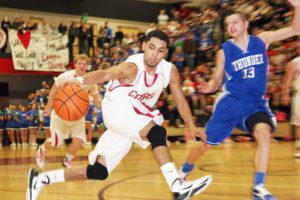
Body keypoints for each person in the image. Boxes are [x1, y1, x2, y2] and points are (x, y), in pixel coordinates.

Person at [26, 30, 212, 200]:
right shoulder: (132, 67)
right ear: (143, 46)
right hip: (117, 109)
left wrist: (191, 125)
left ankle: (41, 179)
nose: (154, 54)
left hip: (131, 118)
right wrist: (79, 80)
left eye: (161, 50)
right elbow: (106, 74)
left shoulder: (169, 71)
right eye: (151, 47)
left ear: (166, 52)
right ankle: (177, 186)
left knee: (99, 171)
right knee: (156, 133)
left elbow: (180, 100)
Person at [178, 1, 300, 200]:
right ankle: (182, 173)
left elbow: (296, 29)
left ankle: (258, 188)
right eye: (227, 24)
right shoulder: (224, 51)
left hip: (254, 104)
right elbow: (216, 79)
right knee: (205, 144)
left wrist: (298, 7)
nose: (231, 27)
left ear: (246, 24)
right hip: (231, 103)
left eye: (235, 22)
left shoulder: (262, 40)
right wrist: (210, 85)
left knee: (264, 133)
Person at [35, 54, 101, 169]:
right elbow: (53, 91)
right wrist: (48, 107)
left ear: (87, 66)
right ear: (75, 64)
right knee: (56, 142)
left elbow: (95, 95)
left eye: (84, 64)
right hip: (61, 112)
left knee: (79, 139)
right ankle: (41, 150)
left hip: (77, 115)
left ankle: (67, 159)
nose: (82, 65)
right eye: (79, 63)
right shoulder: (65, 76)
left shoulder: (89, 80)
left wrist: (98, 101)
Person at [281, 41, 300, 158]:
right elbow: (287, 80)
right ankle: (299, 147)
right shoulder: (295, 62)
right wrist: (285, 94)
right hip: (299, 96)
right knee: (299, 123)